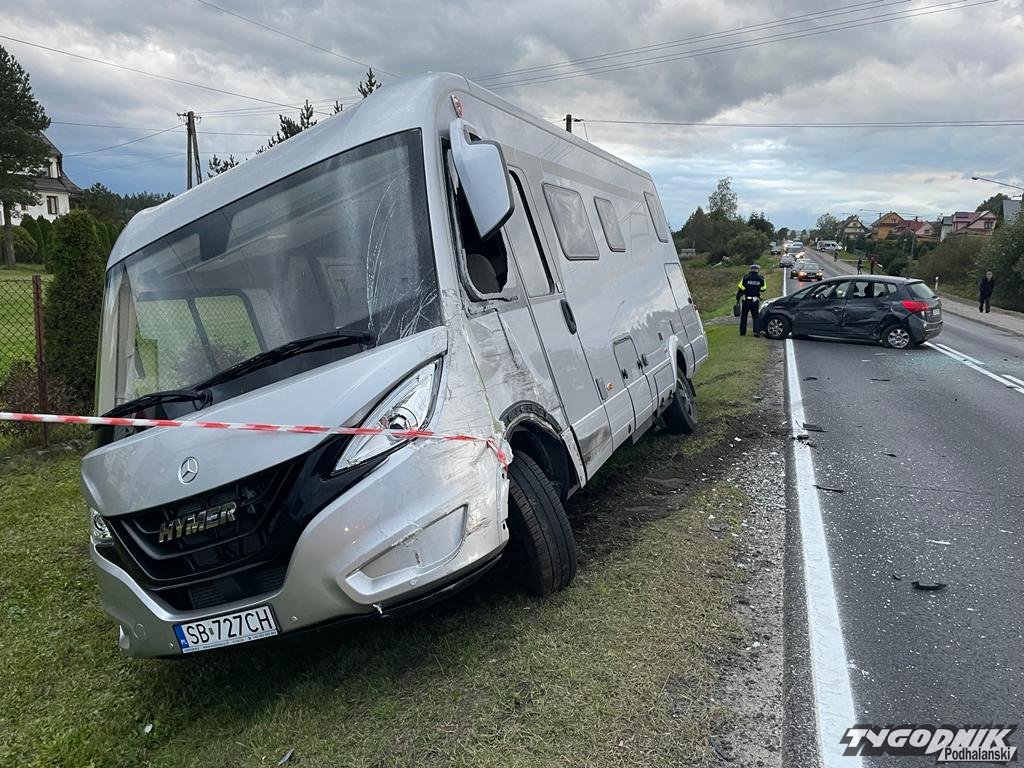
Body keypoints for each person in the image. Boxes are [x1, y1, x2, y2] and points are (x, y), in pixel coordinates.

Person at [736, 264, 767, 337]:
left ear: (751, 269)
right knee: (755, 316)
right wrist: (757, 288)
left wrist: (737, 298)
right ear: (757, 270)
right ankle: (756, 332)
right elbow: (763, 289)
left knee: (744, 317)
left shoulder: (745, 277)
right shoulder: (761, 278)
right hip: (755, 300)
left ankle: (742, 332)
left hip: (746, 300)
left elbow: (740, 289)